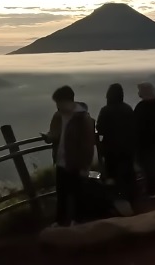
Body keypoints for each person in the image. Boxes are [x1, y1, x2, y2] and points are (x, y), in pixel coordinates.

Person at [44, 85, 96, 226]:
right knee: (62, 194)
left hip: (76, 162)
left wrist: (86, 166)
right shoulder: (58, 115)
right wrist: (49, 137)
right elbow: (55, 133)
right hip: (61, 161)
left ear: (68, 101)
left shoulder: (82, 118)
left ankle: (77, 221)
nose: (58, 106)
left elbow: (88, 143)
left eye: (59, 102)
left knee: (77, 193)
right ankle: (60, 221)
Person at [96, 83, 136, 203]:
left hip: (111, 149)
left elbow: (100, 128)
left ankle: (117, 201)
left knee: (113, 175)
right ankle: (131, 198)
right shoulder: (128, 109)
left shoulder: (105, 110)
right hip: (127, 148)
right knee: (128, 172)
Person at [134, 82, 155, 199]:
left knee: (146, 165)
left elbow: (135, 122)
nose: (138, 93)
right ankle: (153, 189)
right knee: (152, 164)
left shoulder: (142, 107)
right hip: (153, 138)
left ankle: (149, 190)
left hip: (143, 140)